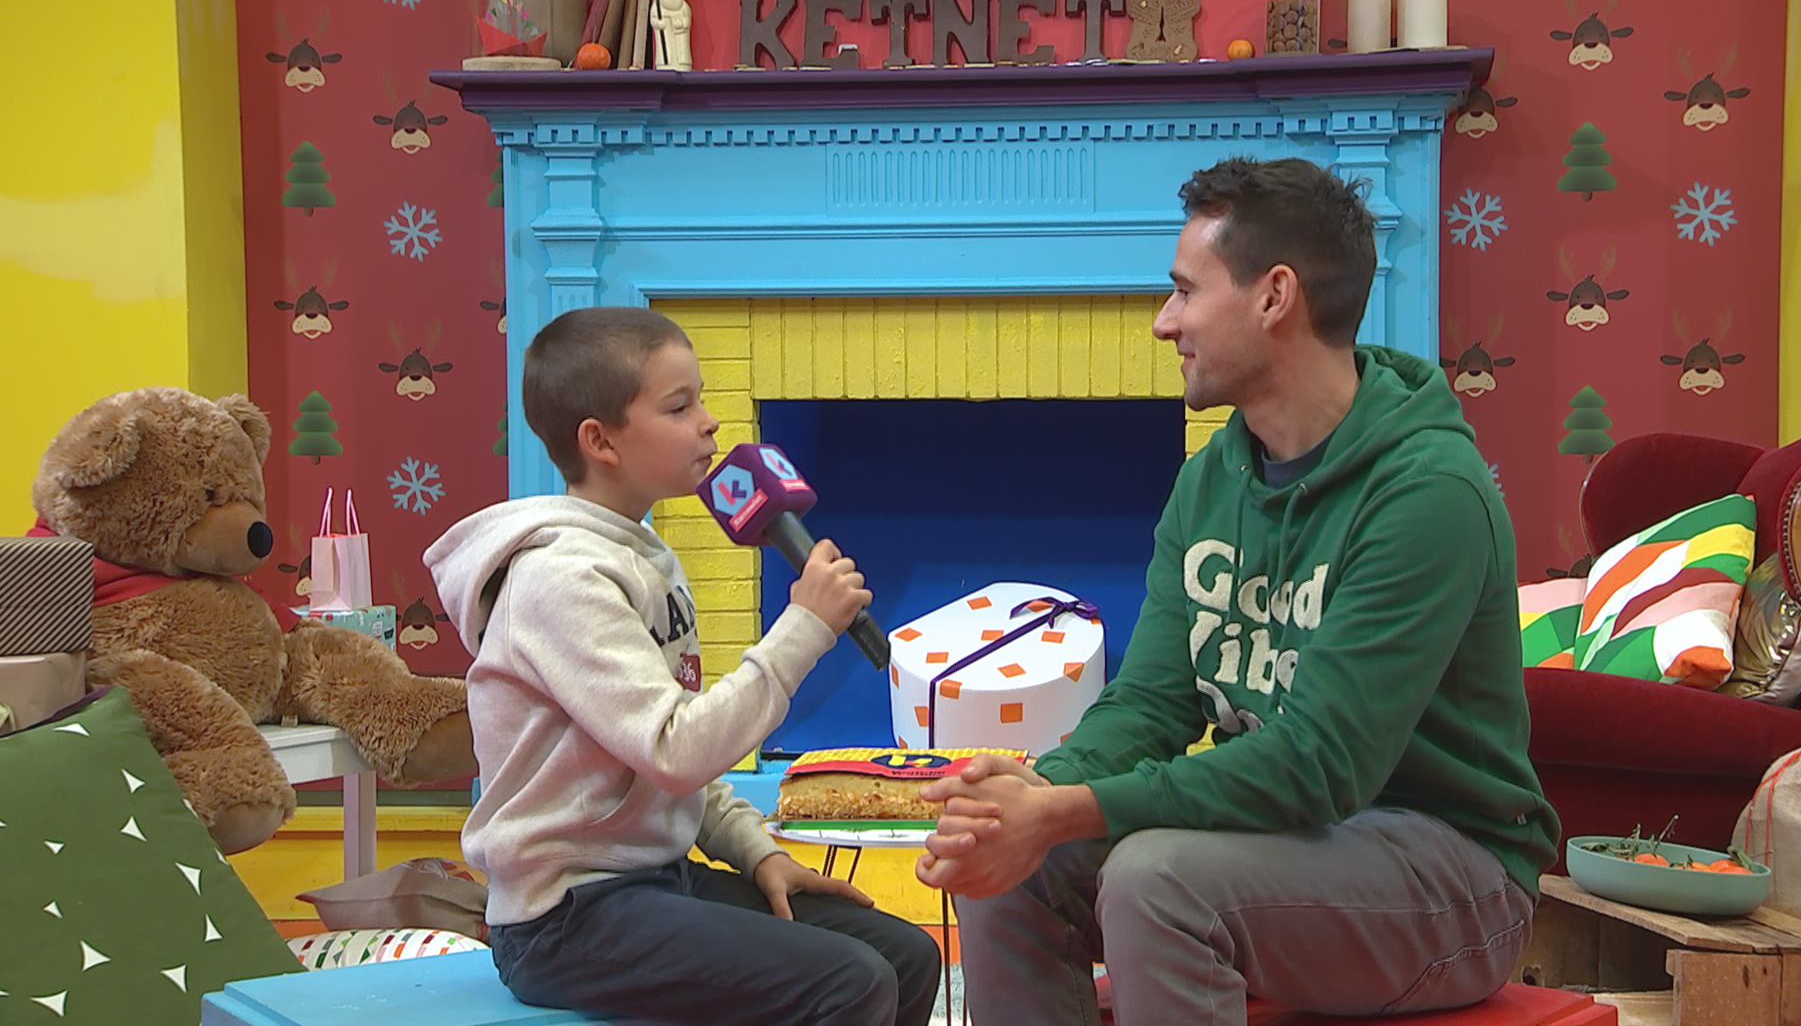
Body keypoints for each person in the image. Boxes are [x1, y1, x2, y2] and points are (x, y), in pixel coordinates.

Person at [915, 157, 1560, 1023]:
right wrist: (1034, 801)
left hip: (1454, 877)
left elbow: (1322, 763)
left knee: (1156, 882)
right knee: (1008, 866)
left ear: (1274, 297)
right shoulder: (1213, 480)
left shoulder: (1427, 493)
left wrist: (1071, 808)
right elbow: (1151, 703)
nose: (1164, 322)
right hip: (1288, 843)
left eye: (1185, 291)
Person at [426, 307, 941, 1026]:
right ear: (600, 440)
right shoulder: (559, 580)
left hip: (656, 880)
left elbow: (666, 766)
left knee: (906, 955)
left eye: (701, 399)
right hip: (566, 916)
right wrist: (804, 627)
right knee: (850, 982)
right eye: (679, 407)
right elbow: (675, 749)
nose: (709, 422)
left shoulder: (647, 558)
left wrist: (759, 854)